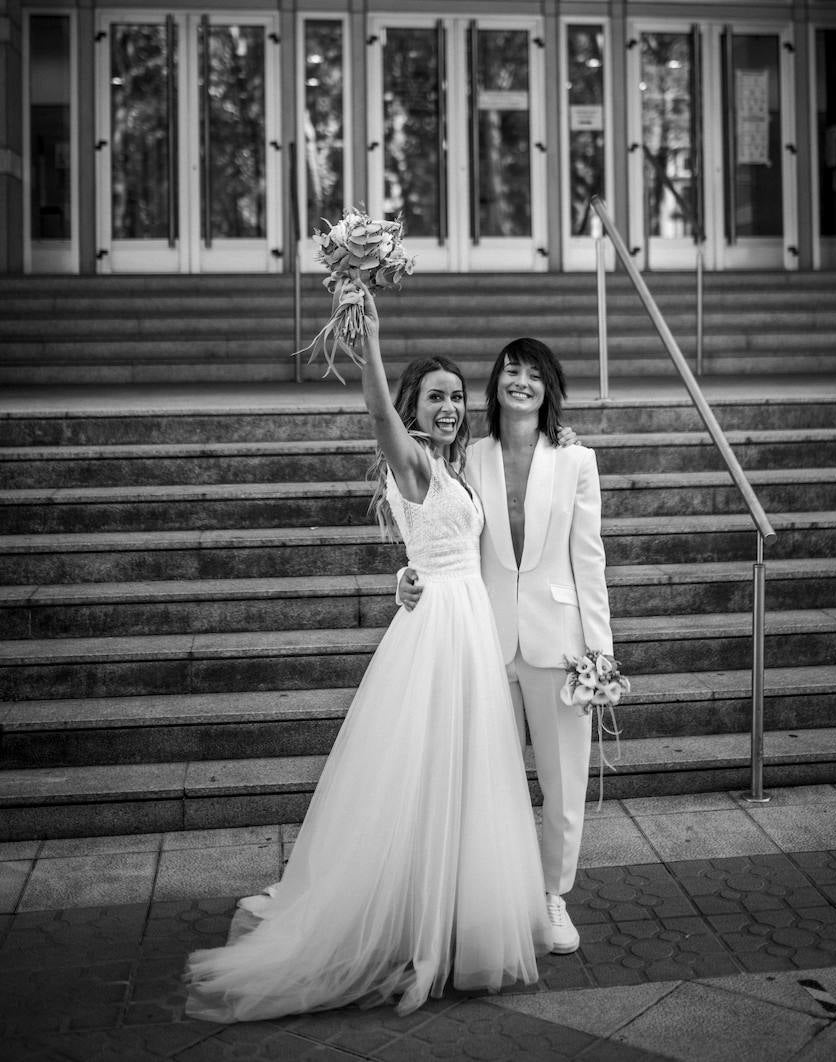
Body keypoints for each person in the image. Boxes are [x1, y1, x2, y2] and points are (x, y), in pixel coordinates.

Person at [184, 290, 552, 1023]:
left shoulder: (455, 469)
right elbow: (377, 413)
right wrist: (373, 340)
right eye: (435, 397)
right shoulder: (411, 457)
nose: (448, 406)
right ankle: (410, 923)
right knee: (422, 770)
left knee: (465, 769)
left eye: (454, 396)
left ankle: (449, 913)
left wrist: (406, 573)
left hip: (465, 621)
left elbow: (446, 546)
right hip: (437, 634)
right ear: (415, 407)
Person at [399, 337, 614, 955]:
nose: (520, 381)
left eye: (534, 374)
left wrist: (600, 652)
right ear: (492, 386)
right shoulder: (470, 457)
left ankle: (552, 895)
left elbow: (589, 560)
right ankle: (491, 896)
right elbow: (439, 529)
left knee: (563, 781)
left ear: (549, 388)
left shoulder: (577, 461)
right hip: (483, 638)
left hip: (561, 643)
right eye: (510, 371)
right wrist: (406, 579)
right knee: (486, 778)